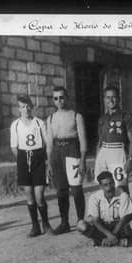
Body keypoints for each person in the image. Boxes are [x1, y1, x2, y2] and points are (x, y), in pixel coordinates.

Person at [10, 95, 54, 237]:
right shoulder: (15, 125)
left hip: (38, 158)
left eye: (28, 106)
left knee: (39, 194)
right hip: (23, 158)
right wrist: (22, 160)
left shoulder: (39, 122)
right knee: (29, 193)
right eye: (22, 107)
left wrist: (47, 161)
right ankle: (35, 226)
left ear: (32, 106)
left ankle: (46, 223)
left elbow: (47, 143)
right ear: (19, 109)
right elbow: (14, 147)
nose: (26, 109)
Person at [46, 86, 87, 235]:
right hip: (57, 153)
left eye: (62, 97)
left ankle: (81, 221)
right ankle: (64, 223)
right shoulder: (50, 118)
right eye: (56, 98)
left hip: (72, 151)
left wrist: (82, 160)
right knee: (61, 190)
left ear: (67, 98)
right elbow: (49, 143)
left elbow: (83, 140)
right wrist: (49, 163)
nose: (59, 101)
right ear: (53, 100)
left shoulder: (76, 116)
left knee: (76, 189)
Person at [77, 171, 132, 247]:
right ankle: (117, 241)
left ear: (114, 182)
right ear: (101, 187)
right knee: (80, 225)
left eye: (111, 183)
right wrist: (108, 234)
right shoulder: (94, 197)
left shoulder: (123, 195)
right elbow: (95, 220)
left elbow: (124, 218)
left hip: (118, 226)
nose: (109, 187)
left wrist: (113, 234)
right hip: (102, 227)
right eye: (105, 185)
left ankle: (101, 241)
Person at [95, 86, 132, 194]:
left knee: (121, 187)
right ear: (104, 99)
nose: (111, 100)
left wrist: (130, 159)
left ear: (118, 98)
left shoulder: (126, 116)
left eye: (113, 97)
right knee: (105, 187)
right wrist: (97, 158)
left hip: (118, 152)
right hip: (103, 153)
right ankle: (110, 210)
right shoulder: (102, 118)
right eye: (108, 97)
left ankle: (127, 211)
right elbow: (100, 141)